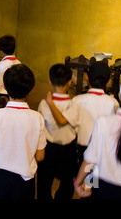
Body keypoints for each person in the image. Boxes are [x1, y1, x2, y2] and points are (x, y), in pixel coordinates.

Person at [0, 64, 46, 199]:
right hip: (25, 182)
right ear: (31, 89)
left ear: (4, 87)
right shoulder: (38, 118)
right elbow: (40, 156)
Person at [45, 61, 119, 165]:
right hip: (105, 150)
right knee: (96, 179)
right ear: (108, 82)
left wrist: (50, 103)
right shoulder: (113, 102)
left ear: (86, 78)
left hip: (85, 149)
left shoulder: (78, 100)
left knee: (87, 178)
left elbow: (61, 120)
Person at [37, 63, 77, 199]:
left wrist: (50, 103)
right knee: (67, 184)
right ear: (70, 82)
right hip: (68, 150)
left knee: (44, 182)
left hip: (48, 148)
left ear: (49, 80)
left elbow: (41, 128)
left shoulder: (44, 104)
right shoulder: (73, 104)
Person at [0, 35, 21, 103]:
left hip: (0, 94)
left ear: (1, 50)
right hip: (13, 94)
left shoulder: (3, 64)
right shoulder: (19, 62)